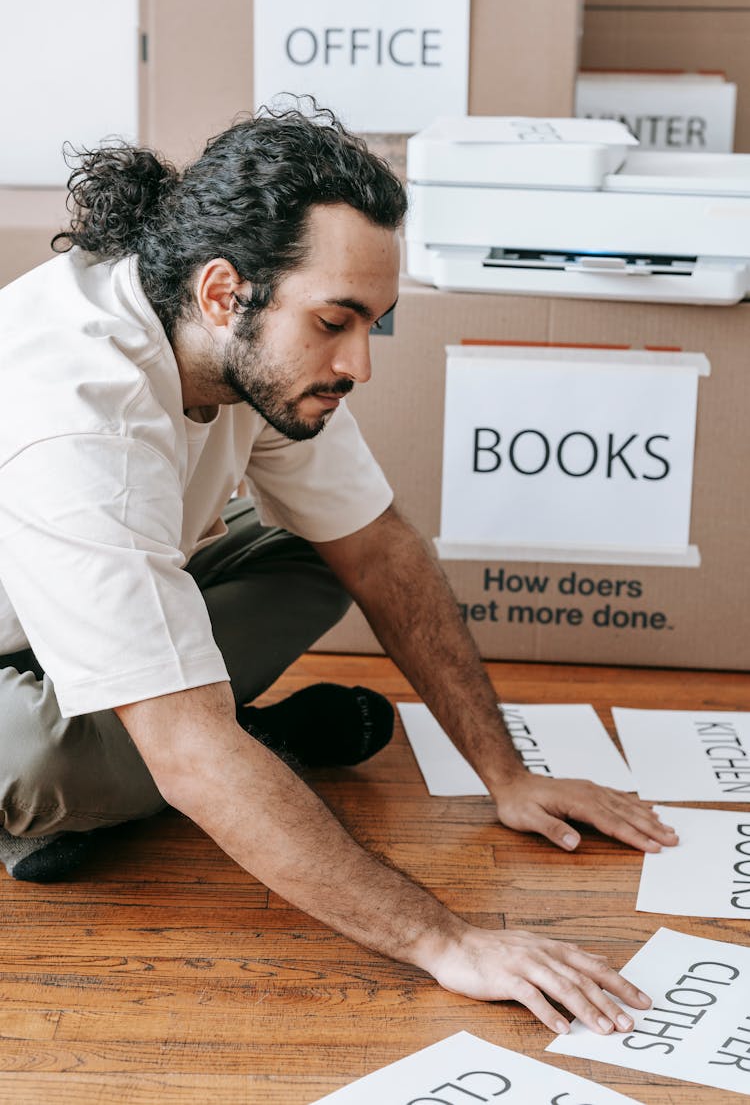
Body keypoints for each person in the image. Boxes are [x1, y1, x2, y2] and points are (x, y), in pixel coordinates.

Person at [0, 105, 677, 1034]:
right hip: (11, 623)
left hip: (117, 568)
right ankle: (241, 742)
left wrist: (505, 773)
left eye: (374, 325)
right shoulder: (83, 418)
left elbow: (380, 547)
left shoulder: (251, 355)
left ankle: (225, 738)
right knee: (45, 773)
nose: (358, 362)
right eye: (335, 321)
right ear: (222, 292)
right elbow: (189, 753)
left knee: (327, 556)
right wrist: (444, 940)